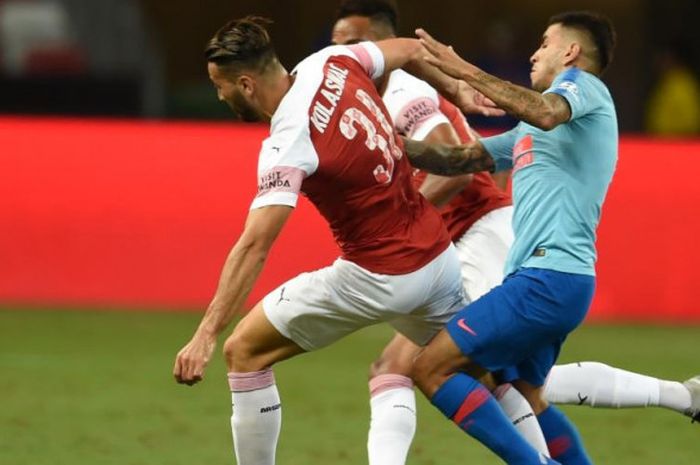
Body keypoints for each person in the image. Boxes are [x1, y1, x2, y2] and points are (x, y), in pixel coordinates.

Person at [331, 3, 700, 464]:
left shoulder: (583, 90)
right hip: (554, 279)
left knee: (431, 368)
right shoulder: (532, 128)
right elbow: (460, 160)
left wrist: (462, 69)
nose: (533, 54)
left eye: (544, 44)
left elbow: (546, 112)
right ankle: (680, 399)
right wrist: (387, 142)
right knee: (527, 392)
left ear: (570, 52)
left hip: (545, 279)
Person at [171, 15, 506, 465]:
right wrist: (456, 86)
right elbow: (410, 48)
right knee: (485, 376)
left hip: (380, 275)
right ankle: (540, 457)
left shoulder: (288, 140)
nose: (220, 94)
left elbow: (255, 245)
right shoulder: (331, 61)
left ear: (247, 85)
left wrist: (206, 333)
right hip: (437, 255)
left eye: (221, 85)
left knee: (244, 351)